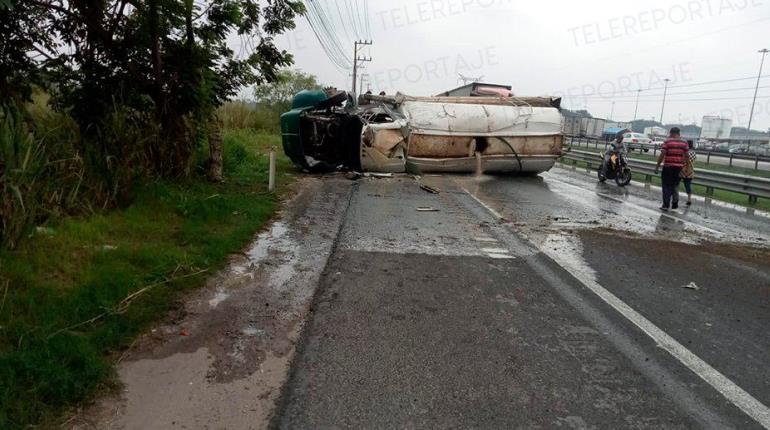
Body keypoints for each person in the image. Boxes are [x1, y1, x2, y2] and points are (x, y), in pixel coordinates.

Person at [654, 127, 689, 211]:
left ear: (671, 133)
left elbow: (662, 154)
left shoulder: (667, 141)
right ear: (679, 133)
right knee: (675, 185)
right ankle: (675, 203)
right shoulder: (684, 143)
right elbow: (686, 156)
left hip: (668, 167)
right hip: (678, 168)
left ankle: (666, 205)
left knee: (666, 186)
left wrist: (657, 166)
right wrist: (686, 167)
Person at [681, 140, 697, 206]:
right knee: (687, 185)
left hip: (682, 169)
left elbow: (682, 160)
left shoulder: (685, 152)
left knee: (675, 183)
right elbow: (693, 160)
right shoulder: (693, 152)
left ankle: (673, 196)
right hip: (690, 170)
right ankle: (689, 199)